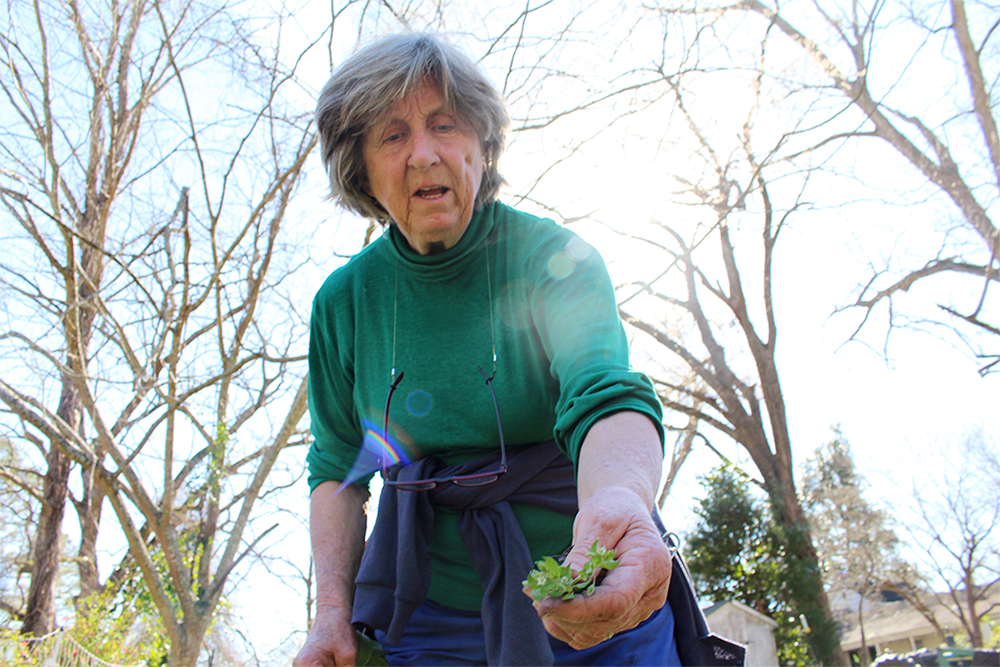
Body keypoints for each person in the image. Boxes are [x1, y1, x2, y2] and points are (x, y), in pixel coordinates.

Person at [294, 32, 681, 667]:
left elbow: (605, 394)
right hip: (428, 618)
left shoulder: (555, 259)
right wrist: (332, 614)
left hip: (593, 587)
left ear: (482, 144)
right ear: (360, 167)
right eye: (392, 136)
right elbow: (338, 468)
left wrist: (621, 502)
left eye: (444, 125)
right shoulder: (343, 303)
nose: (423, 154)